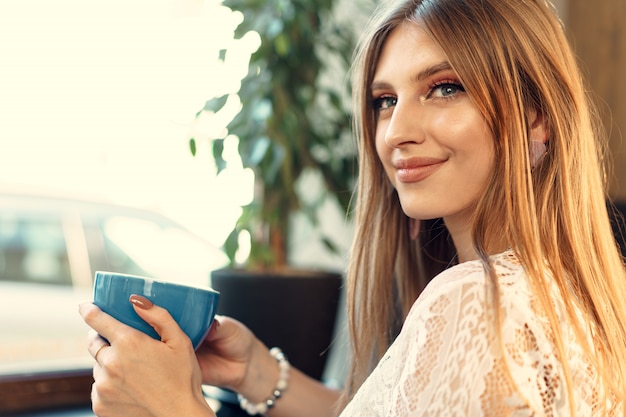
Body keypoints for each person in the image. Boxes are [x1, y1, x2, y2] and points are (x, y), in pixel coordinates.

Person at [79, 0, 626, 415]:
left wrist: (174, 407)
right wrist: (258, 374)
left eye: (444, 87)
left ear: (537, 119)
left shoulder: (473, 298)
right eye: (385, 100)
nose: (396, 133)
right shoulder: (581, 293)